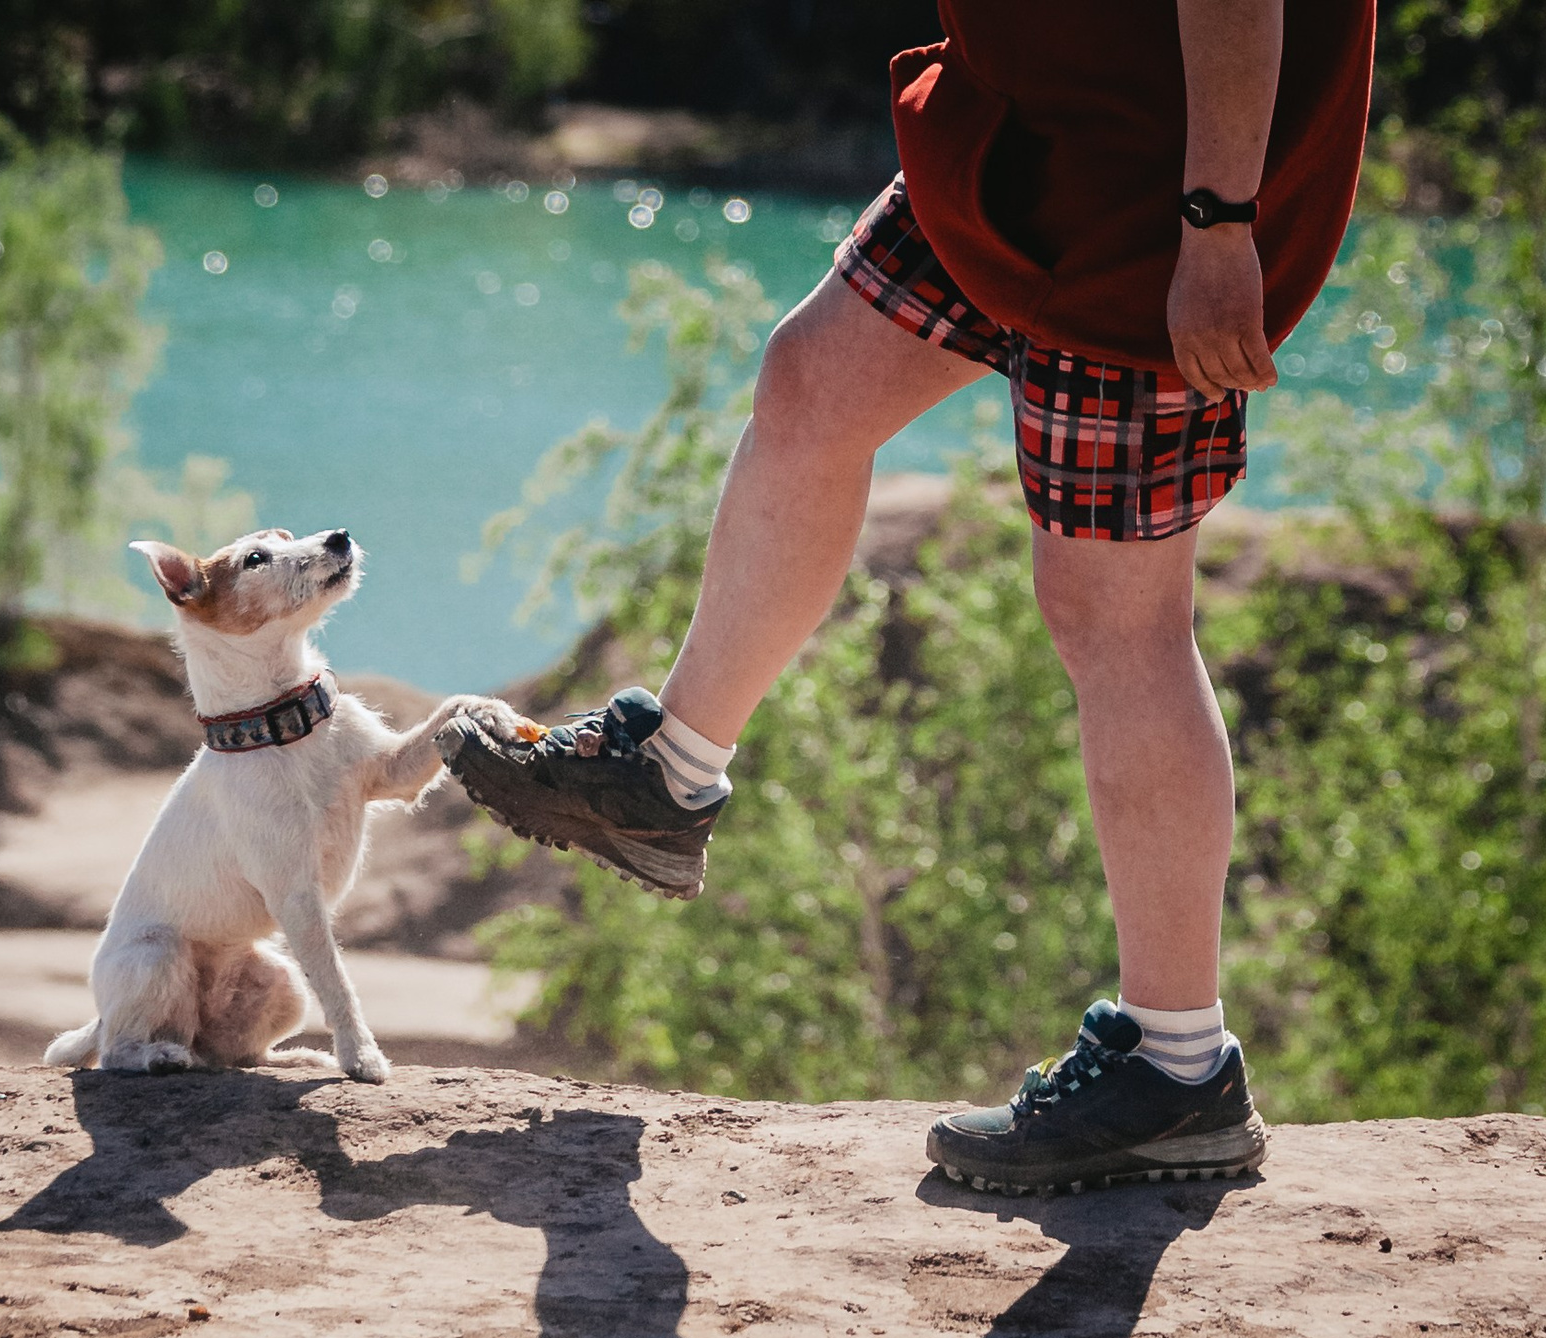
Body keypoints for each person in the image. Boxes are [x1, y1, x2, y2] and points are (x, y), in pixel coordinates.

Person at [442, 0, 1376, 1195]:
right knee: (813, 383)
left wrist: (1217, 225)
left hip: (1148, 191)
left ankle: (1177, 1066)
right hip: (1021, 140)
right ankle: (664, 777)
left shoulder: (1181, 203)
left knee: (1115, 615)